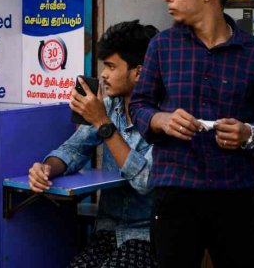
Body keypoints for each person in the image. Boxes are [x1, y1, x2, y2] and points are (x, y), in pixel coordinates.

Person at [129, 0, 254, 268]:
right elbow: (139, 104)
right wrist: (162, 120)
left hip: (234, 193)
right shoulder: (161, 46)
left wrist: (249, 134)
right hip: (175, 192)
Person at [28, 20, 159, 268]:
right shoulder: (110, 106)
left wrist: (102, 123)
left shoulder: (162, 116)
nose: (104, 75)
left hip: (146, 236)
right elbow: (73, 149)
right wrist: (47, 168)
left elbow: (145, 182)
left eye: (111, 66)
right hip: (107, 231)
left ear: (139, 72)